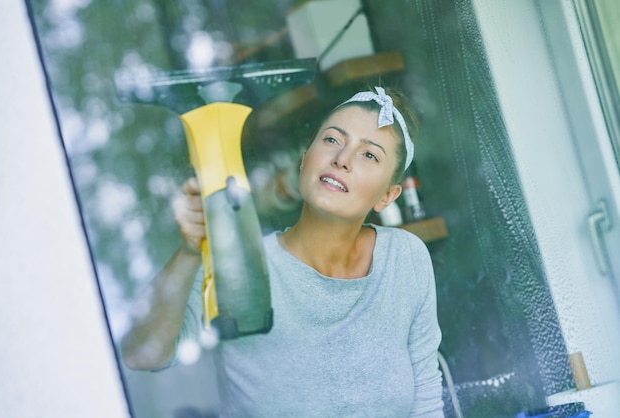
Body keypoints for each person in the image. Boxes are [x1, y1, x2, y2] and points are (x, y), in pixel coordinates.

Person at [121, 86, 444, 417]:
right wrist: (190, 251)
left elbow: (427, 400)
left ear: (388, 197)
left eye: (369, 154)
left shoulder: (405, 258)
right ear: (304, 160)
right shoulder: (240, 265)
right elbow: (142, 354)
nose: (342, 159)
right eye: (332, 139)